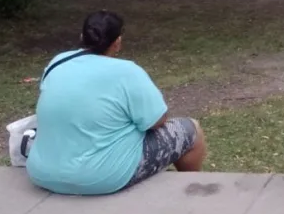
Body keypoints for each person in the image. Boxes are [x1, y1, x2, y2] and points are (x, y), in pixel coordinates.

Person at [27, 11, 207, 195]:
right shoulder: (127, 71)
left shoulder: (58, 62)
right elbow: (157, 121)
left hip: (42, 172)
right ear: (117, 42)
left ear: (82, 37)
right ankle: (193, 193)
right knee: (191, 129)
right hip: (100, 178)